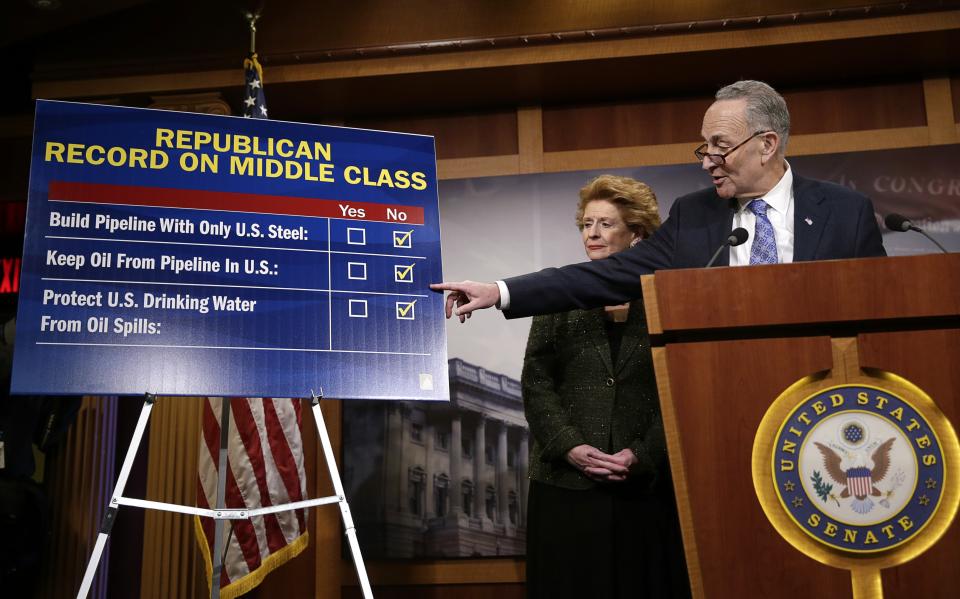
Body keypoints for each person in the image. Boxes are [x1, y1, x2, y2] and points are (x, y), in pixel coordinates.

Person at [431, 80, 886, 319]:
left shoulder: (846, 212)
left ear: (767, 144)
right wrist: (500, 291)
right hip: (720, 390)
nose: (708, 160)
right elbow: (608, 276)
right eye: (703, 146)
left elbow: (883, 308)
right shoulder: (695, 216)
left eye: (720, 145)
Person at [522, 176, 689, 599]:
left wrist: (644, 453)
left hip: (645, 487)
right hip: (566, 484)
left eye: (606, 224)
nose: (593, 233)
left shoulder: (666, 296)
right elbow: (537, 382)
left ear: (637, 233)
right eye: (587, 223)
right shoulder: (560, 292)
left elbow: (681, 387)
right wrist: (570, 446)